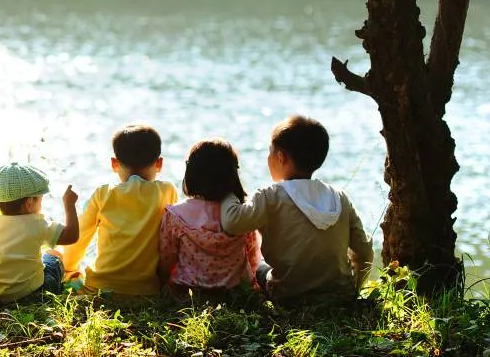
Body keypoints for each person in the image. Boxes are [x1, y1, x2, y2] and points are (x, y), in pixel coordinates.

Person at [220, 115, 374, 305]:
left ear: (280, 157)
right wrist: (354, 288)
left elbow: (232, 222)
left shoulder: (270, 196)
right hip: (339, 296)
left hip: (288, 296)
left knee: (259, 266)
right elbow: (365, 252)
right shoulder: (339, 197)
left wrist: (227, 192)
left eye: (270, 152)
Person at [60, 124, 178, 295]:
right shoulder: (167, 192)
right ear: (159, 164)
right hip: (146, 292)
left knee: (54, 256)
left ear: (114, 164)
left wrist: (70, 269)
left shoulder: (103, 194)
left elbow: (80, 237)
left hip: (100, 289)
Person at [0, 162, 80, 303]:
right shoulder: (36, 224)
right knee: (55, 255)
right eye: (40, 200)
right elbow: (71, 235)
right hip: (36, 297)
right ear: (30, 203)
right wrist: (69, 205)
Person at [157, 139, 261, 297]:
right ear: (232, 175)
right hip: (235, 293)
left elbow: (166, 259)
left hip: (186, 293)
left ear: (191, 173)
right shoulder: (239, 214)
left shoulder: (175, 215)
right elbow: (252, 254)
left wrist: (161, 283)